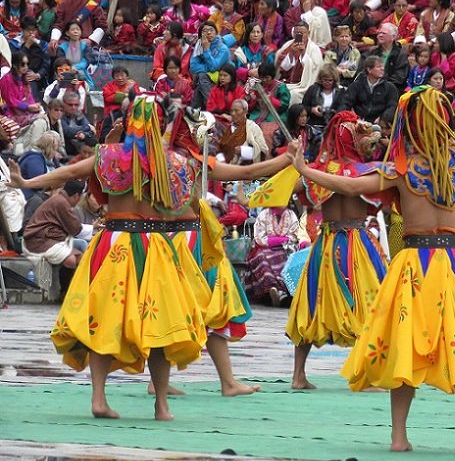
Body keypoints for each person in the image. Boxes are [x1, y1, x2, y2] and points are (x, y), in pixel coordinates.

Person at [8, 94, 297, 420]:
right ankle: (161, 404)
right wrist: (287, 159)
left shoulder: (107, 156)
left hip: (113, 245)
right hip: (155, 247)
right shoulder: (178, 162)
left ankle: (99, 399)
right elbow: (243, 174)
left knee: (104, 321)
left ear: (130, 120)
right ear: (161, 123)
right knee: (162, 325)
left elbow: (65, 173)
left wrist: (27, 181)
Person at [292, 86, 455, 452]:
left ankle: (399, 436)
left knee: (404, 348)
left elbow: (350, 184)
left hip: (416, 264)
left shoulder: (400, 169)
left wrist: (305, 169)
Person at [279, 111, 387, 389]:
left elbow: (295, 191)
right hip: (356, 243)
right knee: (371, 303)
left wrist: (301, 165)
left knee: (312, 304)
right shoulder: (366, 171)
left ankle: (298, 375)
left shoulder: (317, 170)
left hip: (326, 244)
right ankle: (366, 374)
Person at [21, 178, 88, 298]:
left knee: (80, 256)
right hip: (38, 241)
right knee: (71, 260)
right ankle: (65, 294)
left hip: (49, 240)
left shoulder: (59, 200)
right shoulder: (61, 202)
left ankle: (72, 292)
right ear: (77, 196)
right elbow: (75, 228)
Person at [343, 55, 399, 123]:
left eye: (382, 66)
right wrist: (353, 117)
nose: (382, 69)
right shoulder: (356, 85)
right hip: (357, 121)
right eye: (379, 67)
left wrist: (382, 119)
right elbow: (346, 104)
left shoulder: (390, 88)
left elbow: (392, 106)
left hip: (379, 123)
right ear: (369, 69)